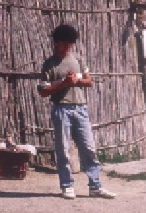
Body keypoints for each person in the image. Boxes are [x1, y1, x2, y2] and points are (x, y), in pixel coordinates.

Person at [38, 24, 116, 200]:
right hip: (61, 109)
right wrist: (64, 83)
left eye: (71, 44)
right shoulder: (49, 65)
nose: (68, 47)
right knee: (63, 149)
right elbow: (43, 91)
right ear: (56, 43)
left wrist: (76, 81)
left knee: (89, 148)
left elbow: (89, 81)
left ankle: (95, 186)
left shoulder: (78, 60)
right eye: (65, 43)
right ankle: (67, 185)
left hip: (81, 108)